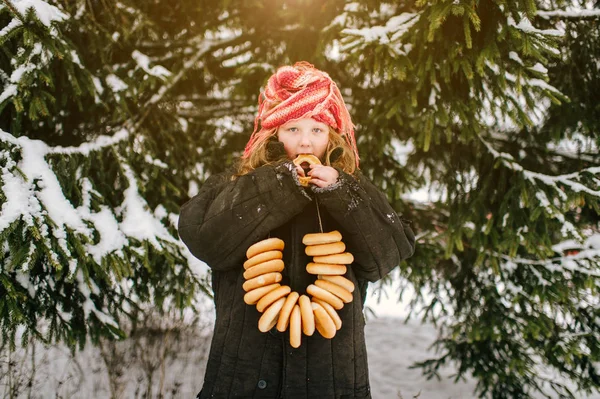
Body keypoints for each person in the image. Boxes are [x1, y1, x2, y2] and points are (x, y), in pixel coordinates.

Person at [178, 62, 416, 399]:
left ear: (332, 136)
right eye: (292, 129)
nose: (305, 143)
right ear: (272, 133)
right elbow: (205, 240)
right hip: (242, 378)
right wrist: (276, 184)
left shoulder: (352, 187)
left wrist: (343, 192)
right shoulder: (234, 185)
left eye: (317, 130)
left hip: (331, 381)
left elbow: (388, 255)